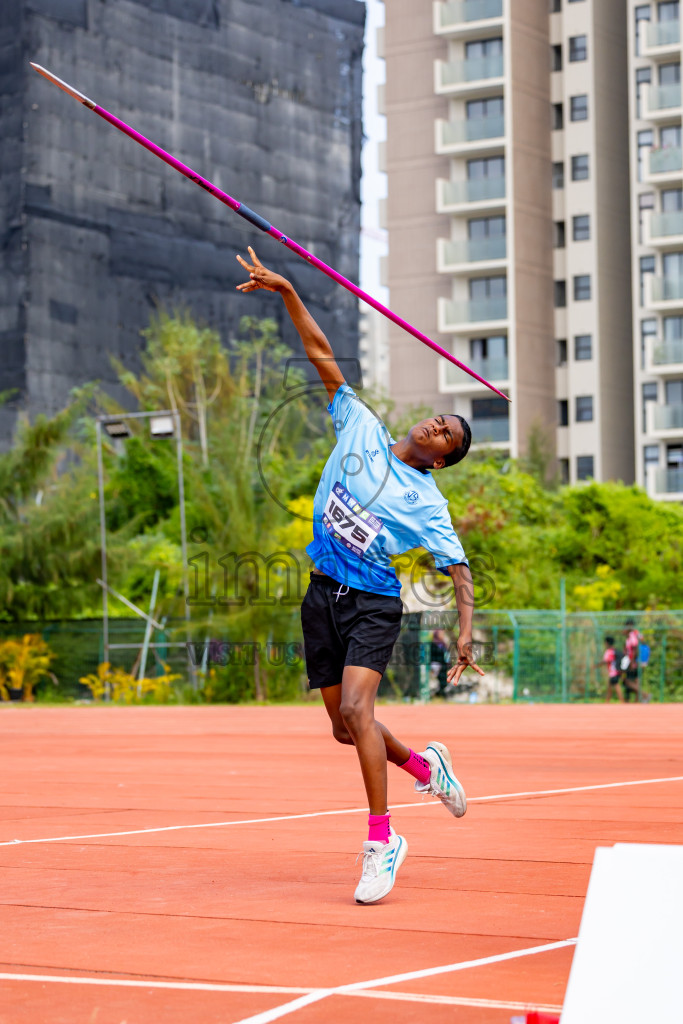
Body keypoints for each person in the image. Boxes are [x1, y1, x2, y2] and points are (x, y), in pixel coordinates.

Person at [237, 247, 483, 904]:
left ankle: (382, 841)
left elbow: (457, 567)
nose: (437, 423)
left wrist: (466, 632)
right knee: (347, 728)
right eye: (440, 417)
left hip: (373, 604)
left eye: (448, 434)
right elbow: (320, 352)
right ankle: (422, 765)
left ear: (440, 460)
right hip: (322, 596)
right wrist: (289, 290)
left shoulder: (426, 501)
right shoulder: (360, 424)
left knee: (355, 707)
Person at [601, 636, 624, 703]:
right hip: (617, 670)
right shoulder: (615, 650)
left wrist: (596, 665)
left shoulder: (608, 651)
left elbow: (605, 661)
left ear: (607, 643)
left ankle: (622, 701)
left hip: (613, 672)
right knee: (610, 686)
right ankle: (607, 701)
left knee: (616, 686)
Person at [622, 620, 641, 702]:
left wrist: (632, 661)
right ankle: (636, 699)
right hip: (630, 661)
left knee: (627, 681)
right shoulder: (631, 636)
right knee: (632, 680)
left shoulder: (633, 635)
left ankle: (643, 694)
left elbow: (635, 649)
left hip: (632, 661)